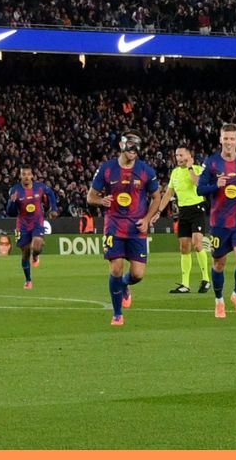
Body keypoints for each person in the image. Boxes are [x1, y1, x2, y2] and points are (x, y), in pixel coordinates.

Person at [86, 133, 168, 327]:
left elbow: (157, 197)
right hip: (113, 225)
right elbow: (91, 197)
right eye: (130, 147)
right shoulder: (107, 169)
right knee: (115, 267)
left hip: (137, 227)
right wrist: (101, 200)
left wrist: (147, 219)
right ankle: (117, 313)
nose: (133, 152)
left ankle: (124, 285)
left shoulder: (146, 171)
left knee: (138, 274)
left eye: (136, 148)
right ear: (122, 146)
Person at [198, 123, 236, 319]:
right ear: (220, 139)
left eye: (232, 139)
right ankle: (219, 301)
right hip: (219, 222)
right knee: (219, 264)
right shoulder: (212, 162)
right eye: (225, 138)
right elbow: (200, 189)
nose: (229, 142)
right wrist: (216, 184)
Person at [165, 146, 212, 294]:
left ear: (188, 156)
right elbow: (168, 194)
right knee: (184, 247)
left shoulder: (197, 169)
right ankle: (185, 284)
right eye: (176, 155)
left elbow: (197, 184)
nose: (178, 157)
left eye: (181, 155)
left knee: (198, 244)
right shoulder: (175, 173)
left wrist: (190, 167)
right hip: (183, 211)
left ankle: (206, 279)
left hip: (197, 209)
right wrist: (157, 211)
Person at [6, 167, 57, 289]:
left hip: (37, 222)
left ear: (32, 176)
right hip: (22, 225)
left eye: (29, 174)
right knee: (25, 253)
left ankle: (35, 256)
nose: (26, 177)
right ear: (20, 176)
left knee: (37, 245)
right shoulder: (15, 190)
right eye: (24, 174)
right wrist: (12, 202)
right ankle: (28, 280)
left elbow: (51, 194)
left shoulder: (40, 187)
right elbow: (10, 213)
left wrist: (54, 209)